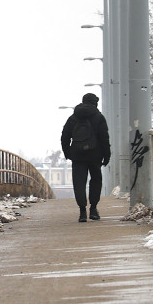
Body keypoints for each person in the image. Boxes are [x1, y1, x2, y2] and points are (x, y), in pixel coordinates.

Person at [60, 92, 111, 222]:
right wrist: (106, 155)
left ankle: (82, 211)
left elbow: (64, 137)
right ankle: (93, 209)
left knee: (79, 182)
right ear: (95, 103)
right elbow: (104, 138)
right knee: (96, 181)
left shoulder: (73, 118)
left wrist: (68, 154)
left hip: (78, 155)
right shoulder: (99, 117)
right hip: (95, 155)